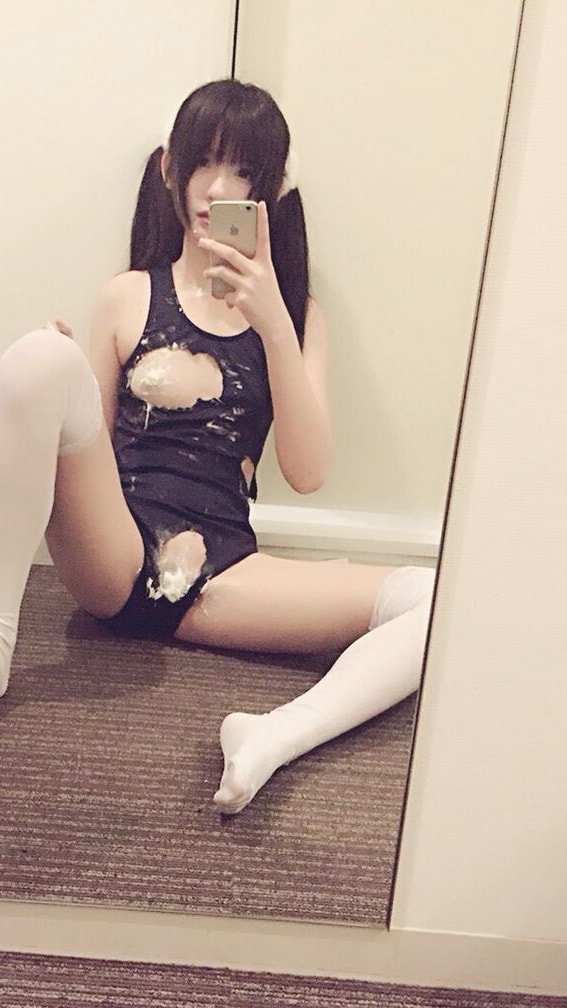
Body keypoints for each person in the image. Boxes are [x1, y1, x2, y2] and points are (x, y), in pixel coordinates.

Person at [0, 79, 435, 815]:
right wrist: (57, 378)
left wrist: (274, 323)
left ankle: (272, 735)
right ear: (170, 168)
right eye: (204, 162)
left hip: (223, 575)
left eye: (244, 172)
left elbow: (307, 471)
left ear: (269, 192)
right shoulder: (127, 295)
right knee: (41, 356)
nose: (219, 188)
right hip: (118, 549)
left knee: (435, 602)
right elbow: (86, 455)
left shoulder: (298, 317)